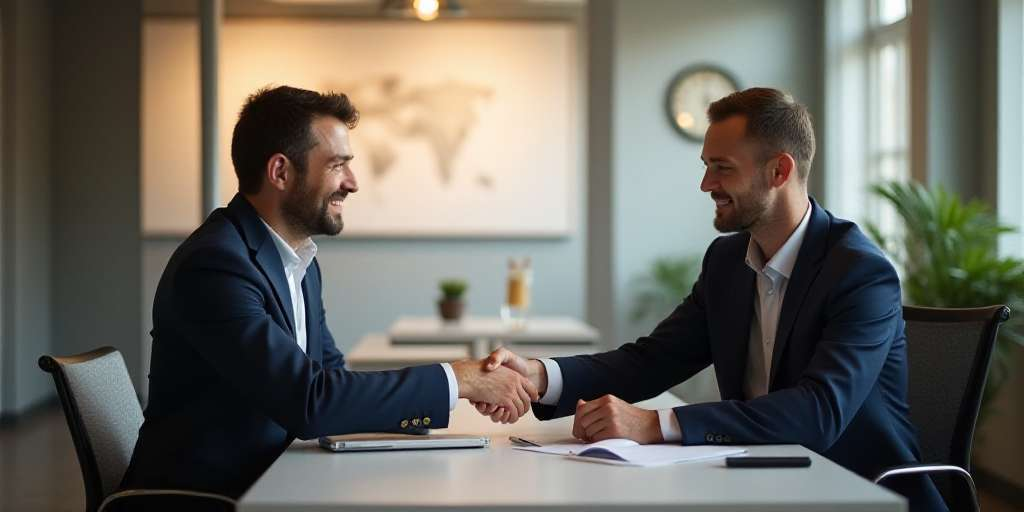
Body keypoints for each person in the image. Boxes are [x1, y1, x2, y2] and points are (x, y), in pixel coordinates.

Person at [477, 88, 946, 511]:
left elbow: (818, 413)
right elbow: (653, 360)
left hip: (860, 493)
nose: (706, 184)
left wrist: (653, 424)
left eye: (722, 168)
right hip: (760, 484)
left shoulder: (859, 272)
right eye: (706, 166)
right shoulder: (727, 261)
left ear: (780, 170)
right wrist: (540, 376)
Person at [120, 86, 538, 502]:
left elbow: (332, 379)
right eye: (338, 165)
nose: (352, 183)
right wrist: (456, 380)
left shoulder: (299, 260)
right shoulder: (215, 265)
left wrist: (446, 401)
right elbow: (309, 400)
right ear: (280, 172)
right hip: (207, 497)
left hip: (272, 479)